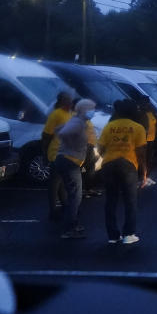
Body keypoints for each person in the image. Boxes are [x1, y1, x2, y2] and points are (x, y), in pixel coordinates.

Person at [99, 99, 147, 245]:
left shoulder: (109, 126)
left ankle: (113, 236)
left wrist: (109, 157)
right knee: (130, 201)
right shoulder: (138, 127)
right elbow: (141, 152)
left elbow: (101, 148)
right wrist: (143, 172)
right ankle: (128, 234)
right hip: (128, 164)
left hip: (108, 164)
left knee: (111, 200)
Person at [53, 99, 97, 239]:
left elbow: (58, 130)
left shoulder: (77, 121)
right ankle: (70, 229)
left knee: (72, 195)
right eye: (91, 109)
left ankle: (72, 224)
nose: (93, 111)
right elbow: (63, 133)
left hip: (66, 160)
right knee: (75, 197)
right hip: (69, 161)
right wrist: (73, 146)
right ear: (84, 110)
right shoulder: (78, 122)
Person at [41, 91, 74, 221]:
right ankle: (53, 210)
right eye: (68, 100)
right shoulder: (56, 114)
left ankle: (64, 205)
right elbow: (46, 135)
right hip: (57, 153)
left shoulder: (69, 114)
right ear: (61, 101)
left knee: (61, 182)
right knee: (54, 183)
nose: (71, 102)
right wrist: (44, 153)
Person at [137, 95, 157, 187]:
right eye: (145, 102)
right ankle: (141, 178)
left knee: (149, 160)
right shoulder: (139, 113)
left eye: (147, 102)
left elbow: (156, 124)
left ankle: (146, 177)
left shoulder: (151, 112)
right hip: (143, 141)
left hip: (151, 140)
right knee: (142, 160)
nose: (146, 104)